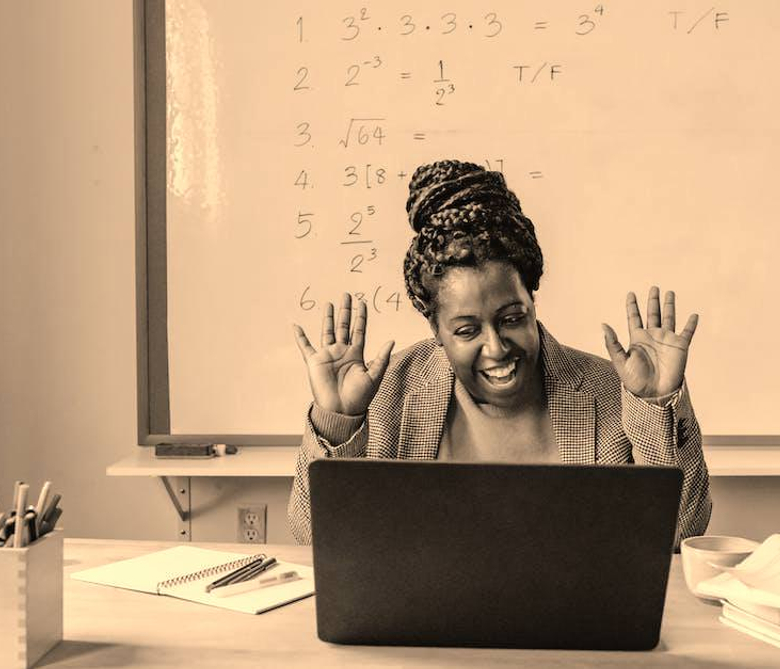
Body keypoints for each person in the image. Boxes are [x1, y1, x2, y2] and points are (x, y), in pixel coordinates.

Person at [288, 159, 711, 546]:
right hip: (423, 628)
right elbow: (313, 539)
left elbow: (680, 535)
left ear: (532, 300)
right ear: (436, 330)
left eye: (511, 319)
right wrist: (340, 424)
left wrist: (657, 404)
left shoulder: (610, 393)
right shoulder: (386, 396)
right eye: (467, 330)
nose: (495, 348)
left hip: (566, 625)